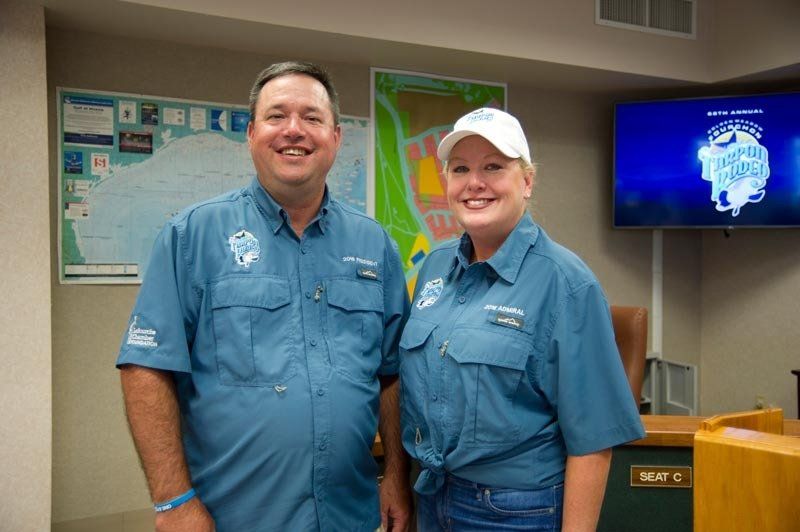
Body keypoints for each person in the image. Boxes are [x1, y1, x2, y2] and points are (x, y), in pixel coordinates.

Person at [117, 61, 412, 532]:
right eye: (277, 116)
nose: (294, 130)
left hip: (349, 516)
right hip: (231, 518)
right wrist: (173, 501)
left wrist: (396, 476)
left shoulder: (375, 245)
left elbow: (392, 375)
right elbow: (146, 369)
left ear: (335, 137)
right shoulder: (192, 235)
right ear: (251, 133)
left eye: (312, 118)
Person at [399, 108, 645, 531]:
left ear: (527, 181)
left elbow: (594, 440)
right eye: (461, 169)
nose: (475, 183)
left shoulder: (566, 283)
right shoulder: (435, 268)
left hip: (515, 511)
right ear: (447, 184)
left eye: (493, 167)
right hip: (433, 497)